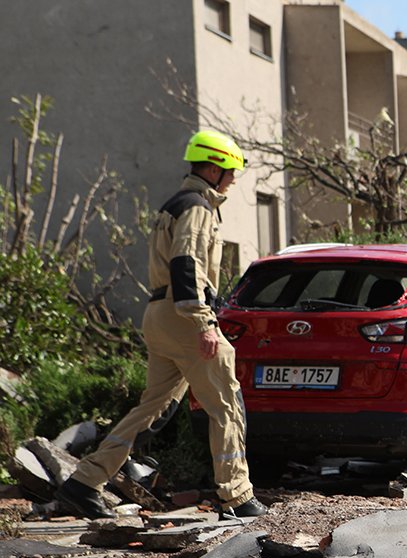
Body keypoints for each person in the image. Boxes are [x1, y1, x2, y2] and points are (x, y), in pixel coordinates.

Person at [56, 130, 268, 520]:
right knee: (227, 404)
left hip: (160, 315)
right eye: (231, 171)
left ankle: (84, 482)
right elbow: (186, 265)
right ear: (214, 168)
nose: (234, 180)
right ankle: (237, 496)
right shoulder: (198, 207)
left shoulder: (174, 204)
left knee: (152, 409)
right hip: (187, 316)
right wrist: (204, 322)